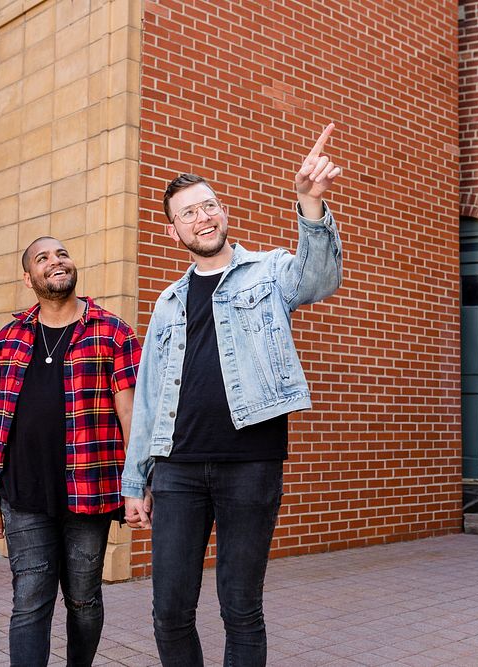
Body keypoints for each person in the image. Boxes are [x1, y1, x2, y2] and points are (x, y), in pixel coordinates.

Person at [122, 123, 344, 666]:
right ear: (174, 233)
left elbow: (320, 280)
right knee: (169, 611)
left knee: (241, 607)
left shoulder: (268, 271)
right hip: (176, 470)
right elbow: (149, 397)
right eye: (189, 213)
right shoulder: (168, 303)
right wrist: (135, 482)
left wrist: (309, 206)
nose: (203, 217)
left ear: (223, 212)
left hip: (250, 462)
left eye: (209, 206)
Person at [0, 236, 141, 667]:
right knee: (30, 599)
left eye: (62, 253)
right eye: (43, 257)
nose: (56, 261)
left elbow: (130, 415)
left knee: (84, 599)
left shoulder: (112, 332)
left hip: (89, 491)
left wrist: (137, 484)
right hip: (22, 494)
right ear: (28, 276)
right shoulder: (7, 339)